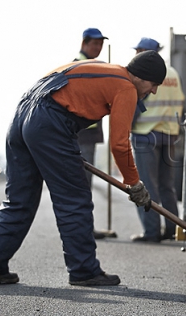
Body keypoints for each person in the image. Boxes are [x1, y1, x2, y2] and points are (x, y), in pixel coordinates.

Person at [0, 51, 166, 286]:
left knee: (19, 199)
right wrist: (134, 183)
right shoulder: (126, 87)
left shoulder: (102, 69)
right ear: (142, 76)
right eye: (154, 84)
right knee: (75, 199)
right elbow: (119, 144)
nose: (154, 90)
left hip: (22, 115)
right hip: (48, 121)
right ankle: (84, 270)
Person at [129, 38, 185, 242]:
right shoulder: (173, 74)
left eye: (138, 51)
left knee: (147, 185)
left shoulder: (144, 73)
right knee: (166, 186)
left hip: (146, 133)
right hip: (169, 135)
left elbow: (136, 101)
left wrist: (126, 125)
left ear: (145, 51)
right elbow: (180, 101)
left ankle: (152, 231)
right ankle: (172, 229)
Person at [74, 28, 109, 239]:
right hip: (81, 135)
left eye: (100, 44)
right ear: (84, 43)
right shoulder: (81, 65)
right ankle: (83, 229)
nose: (98, 48)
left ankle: (84, 228)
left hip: (87, 134)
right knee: (82, 184)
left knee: (84, 184)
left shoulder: (92, 65)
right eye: (94, 44)